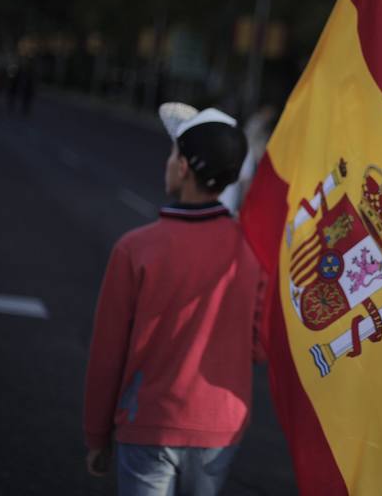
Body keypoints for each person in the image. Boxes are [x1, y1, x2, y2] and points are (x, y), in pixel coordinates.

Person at [83, 102, 266, 495]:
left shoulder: (135, 249)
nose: (168, 162)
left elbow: (108, 352)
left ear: (183, 168)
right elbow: (259, 343)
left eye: (173, 153)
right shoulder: (253, 253)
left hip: (149, 419)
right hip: (221, 425)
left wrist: (97, 435)